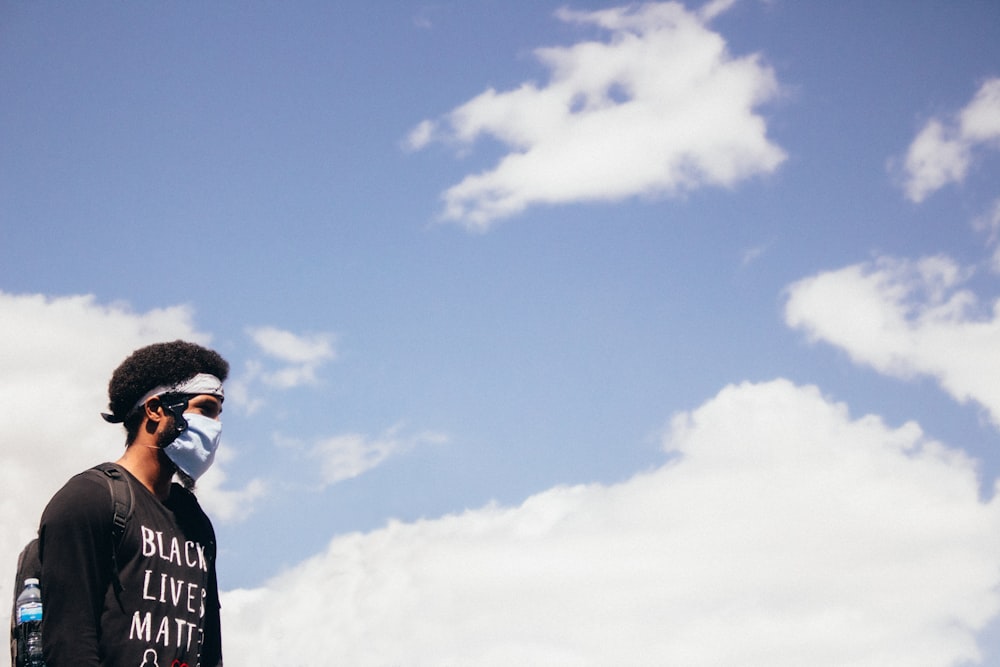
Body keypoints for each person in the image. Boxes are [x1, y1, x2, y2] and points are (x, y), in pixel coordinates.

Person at [37, 340, 228, 666]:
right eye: (205, 409)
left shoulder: (195, 522)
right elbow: (69, 645)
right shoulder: (89, 500)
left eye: (219, 413)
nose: (216, 427)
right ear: (155, 409)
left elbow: (209, 651)